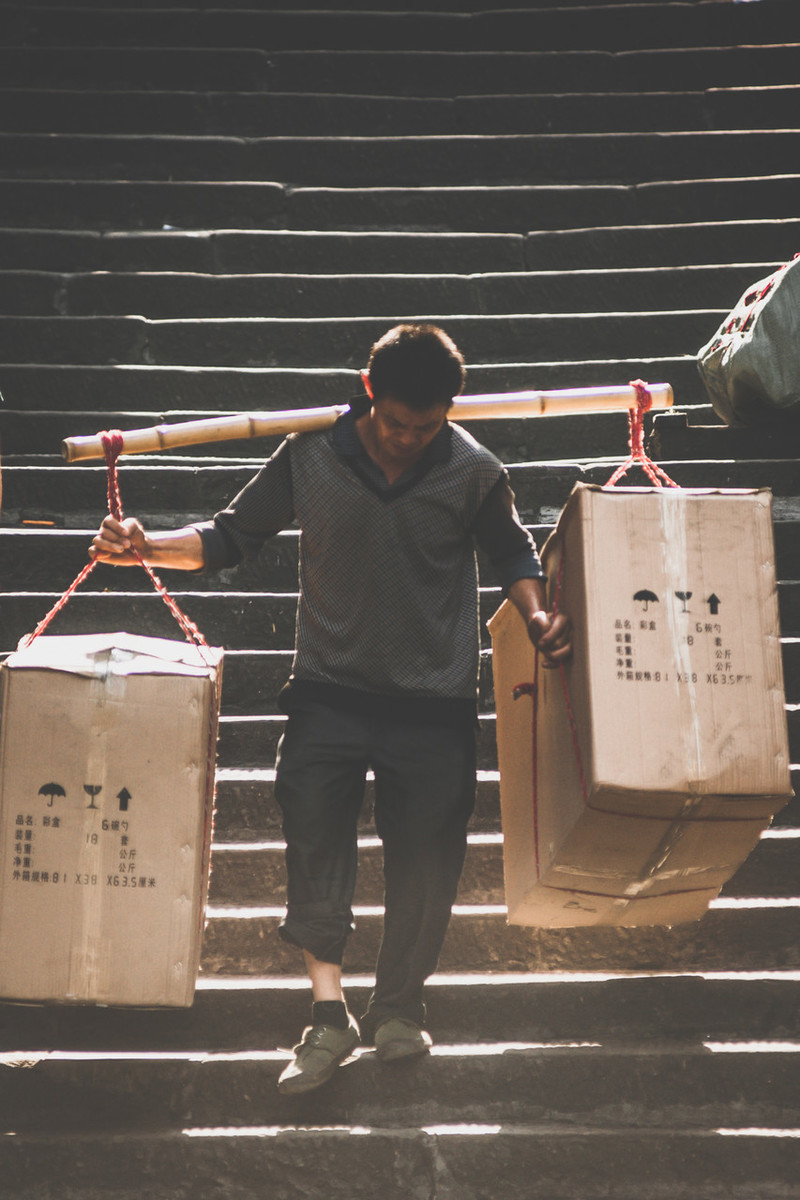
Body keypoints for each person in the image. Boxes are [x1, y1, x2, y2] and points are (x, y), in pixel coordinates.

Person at [90, 323, 571, 1095]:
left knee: (428, 856)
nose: (412, 438)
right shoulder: (309, 452)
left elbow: (513, 552)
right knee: (314, 831)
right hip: (328, 687)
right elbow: (228, 540)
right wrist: (146, 546)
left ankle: (400, 1008)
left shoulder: (475, 471)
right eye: (398, 421)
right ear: (368, 392)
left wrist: (538, 616)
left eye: (429, 424)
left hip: (433, 698)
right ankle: (327, 1013)